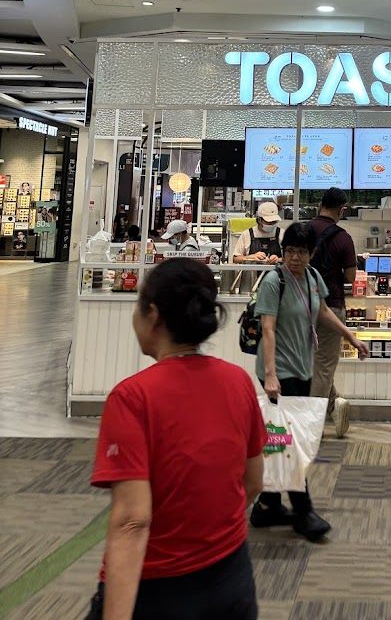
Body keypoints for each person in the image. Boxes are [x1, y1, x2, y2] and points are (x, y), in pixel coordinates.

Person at [87, 257, 266, 620]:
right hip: (231, 577)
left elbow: (132, 521)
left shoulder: (132, 398)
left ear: (151, 315)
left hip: (156, 589)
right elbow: (253, 482)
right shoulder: (238, 382)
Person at [251, 221, 368, 540]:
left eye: (301, 252)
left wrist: (351, 338)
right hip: (278, 372)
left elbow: (322, 313)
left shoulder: (313, 278)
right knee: (289, 441)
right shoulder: (274, 281)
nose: (294, 258)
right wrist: (271, 375)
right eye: (289, 251)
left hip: (303, 368)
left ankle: (267, 505)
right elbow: (269, 328)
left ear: (312, 254)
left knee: (284, 439)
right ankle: (303, 512)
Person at [308, 188, 358, 438]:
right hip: (332, 304)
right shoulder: (343, 238)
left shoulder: (302, 231)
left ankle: (335, 405)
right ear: (342, 209)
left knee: (309, 363)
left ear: (320, 205)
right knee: (324, 365)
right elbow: (350, 276)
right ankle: (311, 423)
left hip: (300, 304)